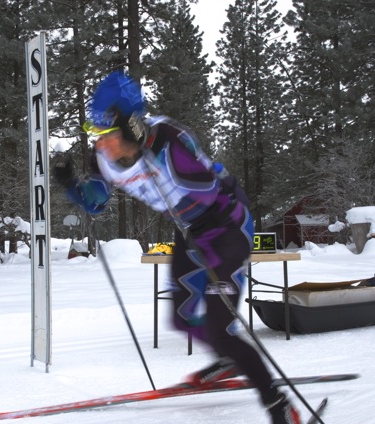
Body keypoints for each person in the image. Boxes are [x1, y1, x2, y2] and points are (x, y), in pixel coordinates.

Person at [53, 70, 301, 424]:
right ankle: (229, 358)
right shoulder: (102, 158)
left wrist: (146, 149)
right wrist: (71, 185)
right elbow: (96, 202)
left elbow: (204, 190)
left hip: (227, 227)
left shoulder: (171, 138)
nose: (100, 144)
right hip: (192, 233)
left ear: (132, 126)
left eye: (107, 134)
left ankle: (279, 405)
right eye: (94, 134)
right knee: (181, 317)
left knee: (219, 326)